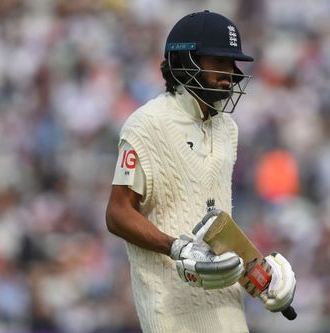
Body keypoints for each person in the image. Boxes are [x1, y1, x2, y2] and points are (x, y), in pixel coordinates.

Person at [105, 10, 296, 333]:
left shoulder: (227, 129)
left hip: (227, 309)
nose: (230, 74)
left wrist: (261, 276)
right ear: (185, 61)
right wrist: (177, 247)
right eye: (219, 62)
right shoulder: (146, 124)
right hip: (171, 311)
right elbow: (117, 213)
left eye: (233, 64)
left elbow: (216, 225)